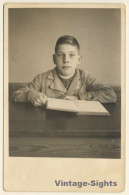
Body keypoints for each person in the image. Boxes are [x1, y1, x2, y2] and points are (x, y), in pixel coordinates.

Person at [11, 35, 117, 106]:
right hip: (50, 125)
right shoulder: (42, 78)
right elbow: (15, 95)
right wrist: (30, 96)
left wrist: (78, 97)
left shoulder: (85, 77)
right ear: (54, 58)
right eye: (60, 55)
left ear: (78, 59)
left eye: (71, 55)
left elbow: (110, 94)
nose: (66, 60)